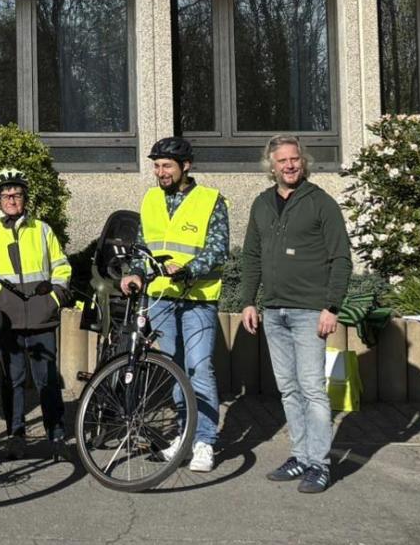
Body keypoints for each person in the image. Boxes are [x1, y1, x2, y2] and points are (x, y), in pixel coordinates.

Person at [240, 135, 351, 494]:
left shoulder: (321, 203)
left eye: (295, 159)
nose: (289, 165)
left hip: (309, 312)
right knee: (288, 390)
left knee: (312, 389)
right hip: (274, 311)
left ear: (303, 162)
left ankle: (319, 464)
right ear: (271, 166)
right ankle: (300, 456)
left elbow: (341, 258)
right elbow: (251, 256)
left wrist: (331, 306)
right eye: (282, 160)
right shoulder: (261, 204)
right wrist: (248, 301)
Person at [120, 137, 227, 473]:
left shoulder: (210, 200)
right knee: (175, 369)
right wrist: (134, 273)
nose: (160, 172)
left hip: (197, 298)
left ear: (186, 166)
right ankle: (184, 435)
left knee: (199, 368)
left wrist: (189, 269)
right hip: (161, 298)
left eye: (166, 165)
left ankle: (205, 441)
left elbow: (218, 249)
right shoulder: (151, 199)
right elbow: (142, 247)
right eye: (156, 166)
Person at [0, 168, 72, 459]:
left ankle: (56, 434)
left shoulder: (42, 230)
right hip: (7, 318)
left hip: (41, 315)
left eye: (17, 194)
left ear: (25, 198)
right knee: (13, 379)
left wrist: (55, 297)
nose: (12, 200)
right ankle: (15, 434)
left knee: (47, 379)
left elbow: (61, 266)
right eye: (6, 195)